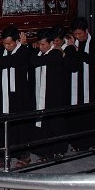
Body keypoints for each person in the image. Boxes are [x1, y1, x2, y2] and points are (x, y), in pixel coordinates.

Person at [0, 26, 34, 168]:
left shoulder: (24, 51)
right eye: (4, 43)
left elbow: (10, 61)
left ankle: (24, 156)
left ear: (17, 41)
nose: (6, 46)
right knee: (2, 126)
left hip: (19, 95)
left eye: (9, 43)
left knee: (20, 126)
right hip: (1, 94)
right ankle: (2, 156)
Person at [29, 28, 70, 160]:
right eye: (39, 44)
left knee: (56, 123)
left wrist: (34, 50)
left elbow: (35, 61)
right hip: (41, 93)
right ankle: (45, 152)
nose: (40, 47)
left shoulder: (56, 53)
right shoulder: (40, 53)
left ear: (51, 43)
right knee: (43, 124)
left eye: (43, 44)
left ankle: (59, 150)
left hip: (55, 95)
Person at [67, 17, 95, 151]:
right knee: (77, 116)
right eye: (75, 34)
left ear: (87, 31)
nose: (77, 36)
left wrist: (77, 50)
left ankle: (94, 142)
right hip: (76, 85)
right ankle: (78, 143)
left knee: (91, 115)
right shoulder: (72, 42)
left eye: (80, 33)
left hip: (91, 84)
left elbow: (93, 60)